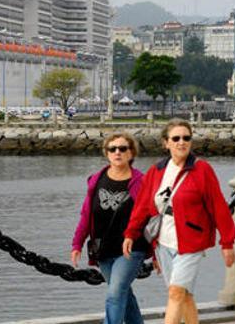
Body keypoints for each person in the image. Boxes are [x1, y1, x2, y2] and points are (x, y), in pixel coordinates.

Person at [122, 119, 235, 324]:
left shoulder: (202, 170)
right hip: (164, 242)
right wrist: (131, 233)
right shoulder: (156, 171)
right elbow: (143, 206)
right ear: (166, 143)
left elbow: (218, 207)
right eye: (176, 138)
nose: (181, 142)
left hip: (191, 242)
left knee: (175, 293)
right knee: (184, 295)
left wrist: (227, 243)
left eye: (186, 138)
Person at [71, 132, 149, 324]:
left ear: (131, 153)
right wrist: (77, 244)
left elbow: (151, 218)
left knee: (115, 293)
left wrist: (155, 253)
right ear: (107, 153)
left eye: (123, 148)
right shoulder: (96, 180)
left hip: (132, 249)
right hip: (103, 249)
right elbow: (86, 215)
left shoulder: (142, 182)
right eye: (112, 149)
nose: (117, 152)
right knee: (123, 293)